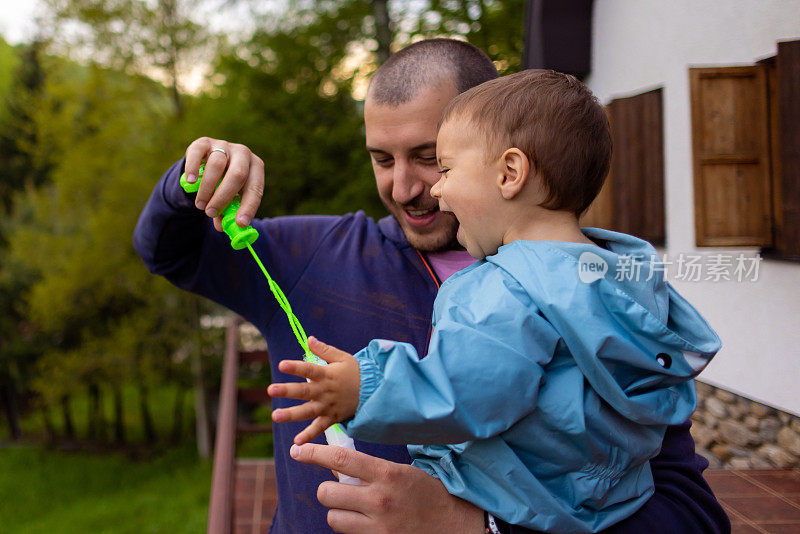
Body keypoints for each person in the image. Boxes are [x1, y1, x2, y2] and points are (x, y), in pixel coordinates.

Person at [134, 39, 731, 533]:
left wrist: (472, 528)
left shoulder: (592, 294)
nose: (405, 187)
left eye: (431, 158)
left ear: (504, 159)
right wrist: (193, 177)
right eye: (381, 159)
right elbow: (168, 252)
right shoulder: (317, 254)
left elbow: (690, 515)